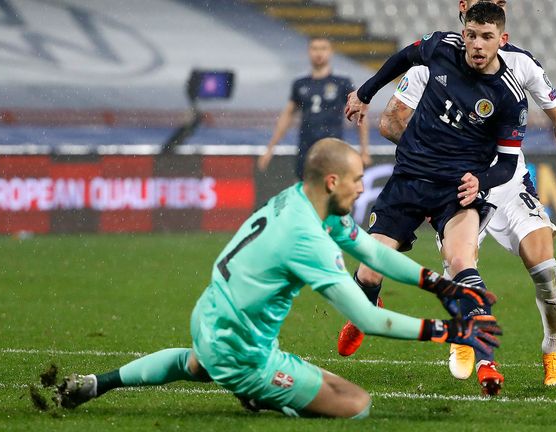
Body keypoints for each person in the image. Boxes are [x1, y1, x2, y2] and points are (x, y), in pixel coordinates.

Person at [54, 138, 501, 419]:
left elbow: (369, 251)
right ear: (332, 181)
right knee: (355, 405)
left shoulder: (300, 201)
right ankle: (261, 396)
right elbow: (367, 319)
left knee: (194, 363)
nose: (363, 189)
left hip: (209, 318)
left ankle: (99, 382)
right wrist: (453, 331)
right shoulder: (308, 239)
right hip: (246, 354)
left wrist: (440, 285)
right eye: (357, 180)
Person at [375, 0, 556, 387]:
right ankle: (465, 336)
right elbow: (392, 120)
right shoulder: (436, 57)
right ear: (463, 9)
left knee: (544, 267)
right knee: (460, 263)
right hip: (458, 182)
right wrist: (433, 159)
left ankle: (554, 349)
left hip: (506, 181)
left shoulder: (521, 63)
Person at [339, 3, 524, 395]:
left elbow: (507, 164)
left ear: (501, 41)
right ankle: (365, 310)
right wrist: (366, 92)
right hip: (408, 181)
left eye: (486, 37)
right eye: (472, 34)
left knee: (462, 262)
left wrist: (483, 182)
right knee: (369, 270)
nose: (476, 44)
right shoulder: (441, 46)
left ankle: (486, 362)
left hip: (456, 191)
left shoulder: (508, 97)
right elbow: (403, 57)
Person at [258, 37, 371, 179]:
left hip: (333, 148)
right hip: (306, 149)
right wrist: (270, 148)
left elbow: (359, 115)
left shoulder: (342, 83)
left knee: (332, 188)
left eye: (323, 48)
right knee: (304, 190)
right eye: (315, 49)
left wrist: (364, 150)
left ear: (330, 52)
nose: (319, 53)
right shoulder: (300, 84)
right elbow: (287, 116)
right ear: (309, 52)